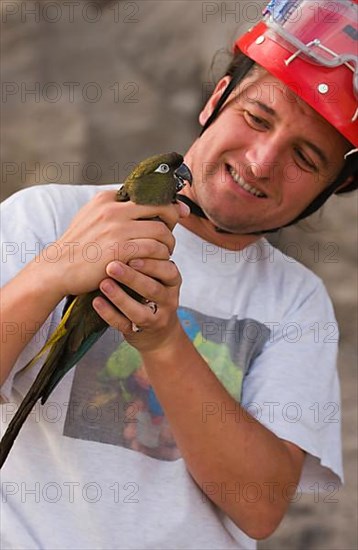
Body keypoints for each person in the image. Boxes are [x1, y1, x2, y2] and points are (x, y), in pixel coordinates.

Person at [1, 0, 357, 548]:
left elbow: (260, 509)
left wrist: (164, 341)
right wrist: (54, 269)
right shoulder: (46, 216)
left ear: (332, 189)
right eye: (256, 118)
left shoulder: (295, 303)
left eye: (305, 158)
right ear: (216, 99)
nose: (262, 161)